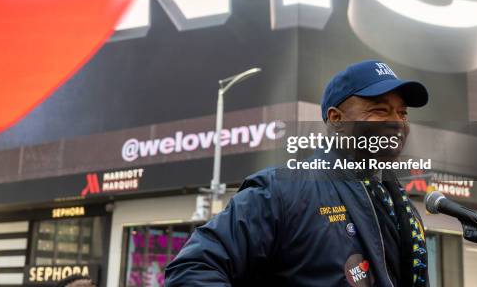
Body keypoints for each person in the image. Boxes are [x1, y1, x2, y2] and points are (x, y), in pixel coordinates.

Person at [165, 60, 430, 287]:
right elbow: (192, 268)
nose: (397, 122)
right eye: (380, 110)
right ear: (337, 119)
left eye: (403, 113)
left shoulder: (400, 205)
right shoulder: (280, 190)